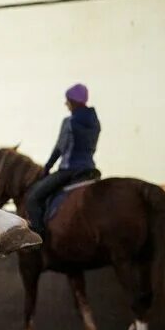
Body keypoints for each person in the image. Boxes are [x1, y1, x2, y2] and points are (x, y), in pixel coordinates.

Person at [25, 83, 101, 236]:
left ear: (73, 101)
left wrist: (47, 168)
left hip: (70, 170)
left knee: (33, 197)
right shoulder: (95, 122)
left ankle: (39, 236)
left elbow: (60, 148)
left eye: (68, 100)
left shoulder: (70, 122)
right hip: (89, 169)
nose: (66, 104)